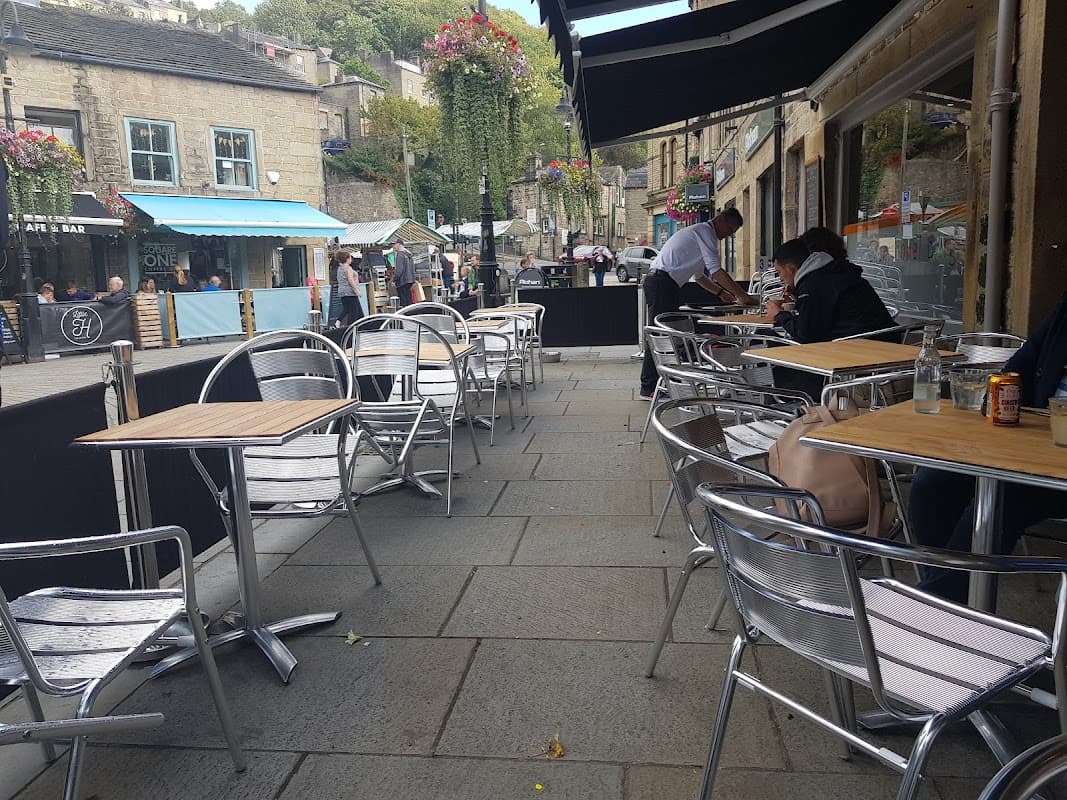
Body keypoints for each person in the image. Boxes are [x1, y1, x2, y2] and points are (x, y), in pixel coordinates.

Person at [910, 292, 1067, 603]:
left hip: (1052, 474)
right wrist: (1002, 390)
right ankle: (952, 593)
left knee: (1004, 497)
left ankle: (936, 605)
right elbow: (1023, 362)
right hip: (1034, 444)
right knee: (932, 482)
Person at [639, 208, 754, 400]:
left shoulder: (700, 235)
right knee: (660, 335)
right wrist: (742, 295)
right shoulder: (705, 232)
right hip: (661, 282)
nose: (729, 235)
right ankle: (648, 387)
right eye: (730, 229)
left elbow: (699, 276)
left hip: (666, 283)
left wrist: (721, 293)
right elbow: (716, 271)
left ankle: (663, 383)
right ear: (721, 220)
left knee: (668, 336)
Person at [763, 233, 894, 343]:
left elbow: (806, 335)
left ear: (791, 268)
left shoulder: (812, 285)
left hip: (857, 349)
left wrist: (779, 314)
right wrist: (798, 297)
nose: (780, 278)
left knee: (763, 337)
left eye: (779, 272)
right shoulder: (834, 273)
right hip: (886, 340)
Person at [335, 249, 364, 326]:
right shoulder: (348, 268)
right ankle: (350, 327)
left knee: (348, 309)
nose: (351, 259)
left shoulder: (339, 268)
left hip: (342, 292)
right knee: (354, 311)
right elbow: (351, 281)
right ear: (347, 259)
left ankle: (338, 322)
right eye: (350, 258)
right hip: (350, 292)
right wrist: (357, 291)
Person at [390, 237, 416, 307]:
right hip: (409, 281)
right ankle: (411, 315)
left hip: (402, 282)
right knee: (409, 301)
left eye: (394, 244)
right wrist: (413, 280)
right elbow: (413, 269)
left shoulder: (400, 254)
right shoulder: (409, 254)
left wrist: (394, 280)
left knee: (403, 303)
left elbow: (399, 270)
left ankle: (405, 317)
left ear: (399, 244)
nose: (393, 246)